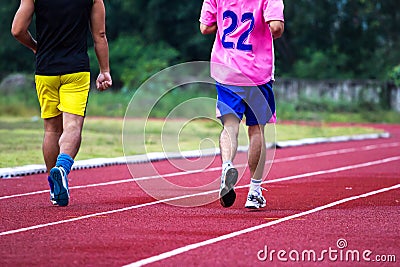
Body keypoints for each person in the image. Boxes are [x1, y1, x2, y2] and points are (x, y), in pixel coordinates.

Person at [11, 0, 112, 206]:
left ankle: (54, 189)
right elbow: (99, 35)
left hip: (45, 69)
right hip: (76, 69)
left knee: (51, 130)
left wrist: (36, 47)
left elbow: (17, 30)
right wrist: (105, 71)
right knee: (73, 124)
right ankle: (62, 169)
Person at [199, 0, 284, 209]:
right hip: (258, 74)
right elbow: (276, 28)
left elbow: (205, 28)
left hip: (226, 70)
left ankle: (227, 165)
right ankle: (254, 192)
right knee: (256, 130)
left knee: (230, 126)